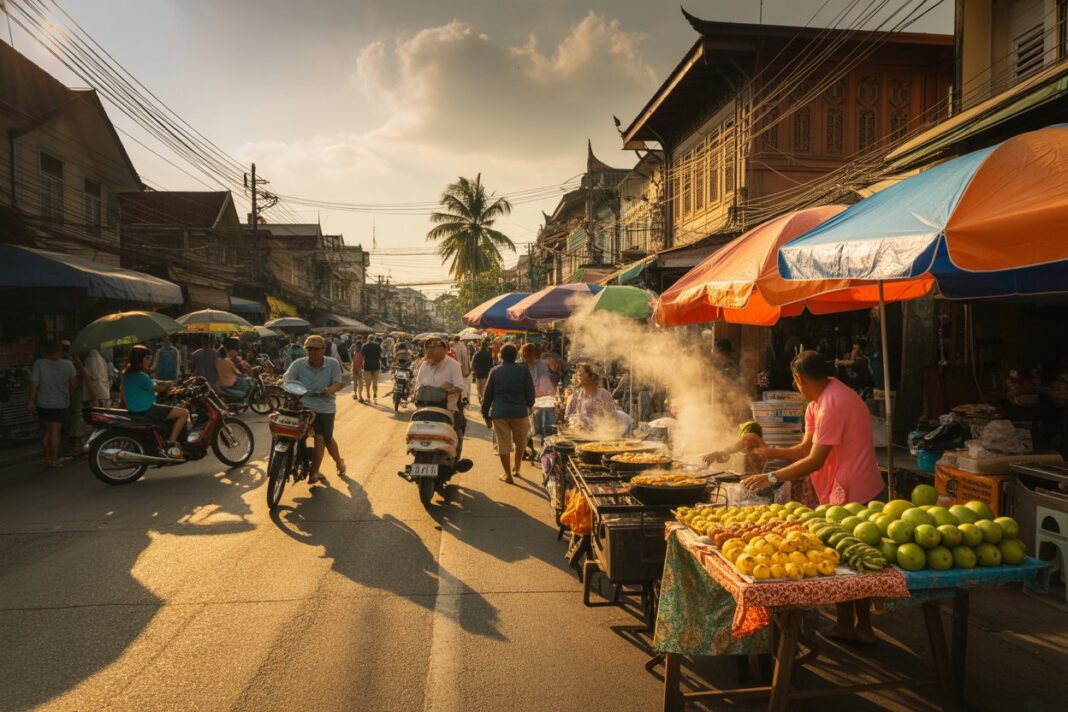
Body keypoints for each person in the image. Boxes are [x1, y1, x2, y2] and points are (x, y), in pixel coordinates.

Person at [742, 350, 884, 645]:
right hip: (839, 487)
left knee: (854, 560)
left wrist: (772, 477)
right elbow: (806, 448)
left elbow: (816, 460)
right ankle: (848, 624)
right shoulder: (818, 402)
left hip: (854, 489)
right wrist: (769, 453)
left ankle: (864, 627)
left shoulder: (834, 403)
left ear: (799, 379)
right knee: (844, 558)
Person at [284, 335, 344, 483]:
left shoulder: (333, 363)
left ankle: (317, 471)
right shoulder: (298, 364)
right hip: (302, 405)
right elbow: (287, 379)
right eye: (310, 349)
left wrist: (329, 390)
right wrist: (285, 385)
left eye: (316, 349)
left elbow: (338, 384)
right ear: (306, 350)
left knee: (322, 438)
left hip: (325, 407)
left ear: (323, 349)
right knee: (293, 433)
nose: (313, 352)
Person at [121, 344, 189, 457]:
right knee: (184, 413)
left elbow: (154, 381)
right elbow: (157, 387)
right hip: (146, 408)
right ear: (139, 360)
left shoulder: (129, 374)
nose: (149, 362)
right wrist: (168, 385)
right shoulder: (140, 376)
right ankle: (171, 443)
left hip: (136, 408)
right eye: (147, 359)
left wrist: (169, 382)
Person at [481, 344, 534, 483]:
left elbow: (488, 395)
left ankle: (507, 475)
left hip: (500, 412)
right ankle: (516, 468)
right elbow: (530, 391)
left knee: (503, 444)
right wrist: (529, 404)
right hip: (520, 412)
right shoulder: (523, 370)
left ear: (501, 356)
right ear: (516, 356)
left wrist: (485, 414)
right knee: (521, 442)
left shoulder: (495, 371)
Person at [27, 340, 78, 467]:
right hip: (60, 403)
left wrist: (31, 400)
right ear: (60, 351)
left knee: (45, 431)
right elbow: (74, 385)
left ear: (46, 351)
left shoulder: (39, 364)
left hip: (42, 403)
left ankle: (46, 457)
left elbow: (34, 383)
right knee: (55, 432)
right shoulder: (68, 365)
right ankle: (54, 459)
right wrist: (68, 395)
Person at [413, 336, 465, 418]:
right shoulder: (424, 365)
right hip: (425, 408)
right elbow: (417, 386)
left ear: (444, 351)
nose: (430, 360)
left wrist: (442, 393)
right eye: (429, 354)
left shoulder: (454, 365)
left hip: (447, 410)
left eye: (434, 352)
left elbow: (459, 387)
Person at [702, 421, 768, 474]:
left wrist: (722, 452)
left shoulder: (767, 454)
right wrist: (722, 453)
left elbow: (751, 436)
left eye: (749, 445)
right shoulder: (741, 455)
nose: (746, 448)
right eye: (744, 445)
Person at [564, 364, 615, 430]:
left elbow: (610, 417)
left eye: (581, 374)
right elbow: (568, 417)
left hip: (600, 433)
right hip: (580, 434)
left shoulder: (604, 394)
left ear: (591, 376)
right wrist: (576, 423)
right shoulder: (576, 395)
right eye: (578, 374)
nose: (578, 377)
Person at [361, 336, 383, 401]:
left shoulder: (364, 346)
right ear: (374, 339)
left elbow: (362, 356)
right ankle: (375, 395)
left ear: (368, 339)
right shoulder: (378, 345)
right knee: (375, 382)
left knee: (367, 383)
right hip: (376, 365)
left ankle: (368, 396)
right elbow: (380, 355)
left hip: (367, 365)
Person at [349, 337, 365, 401]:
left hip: (353, 368)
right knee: (360, 383)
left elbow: (353, 360)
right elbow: (362, 362)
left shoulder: (355, 352)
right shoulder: (362, 353)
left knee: (355, 383)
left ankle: (355, 394)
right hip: (359, 369)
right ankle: (360, 396)